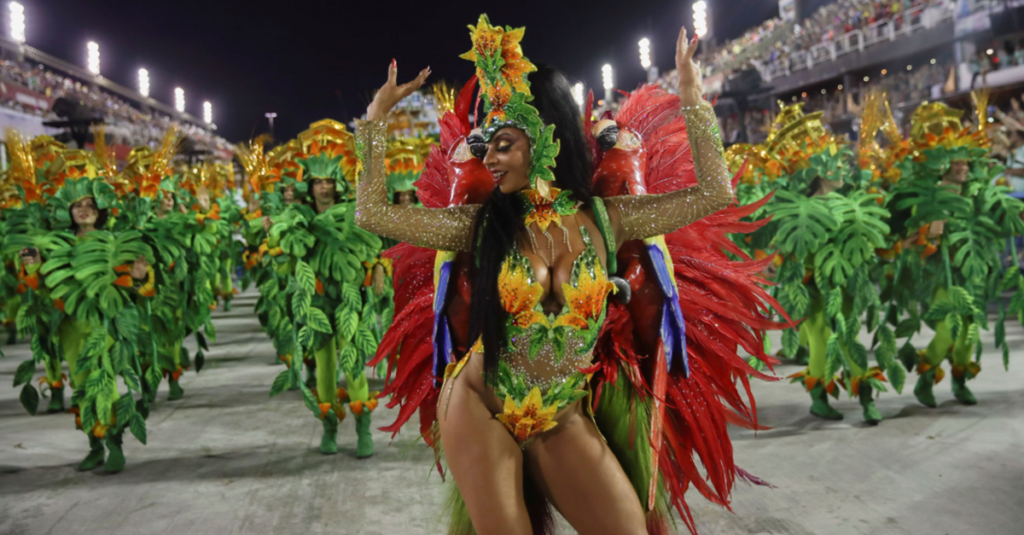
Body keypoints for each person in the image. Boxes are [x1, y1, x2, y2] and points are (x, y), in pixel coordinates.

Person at [357, 16, 784, 534]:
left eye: (503, 144)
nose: (487, 157)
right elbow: (374, 215)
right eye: (487, 144)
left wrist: (692, 98)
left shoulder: (612, 218)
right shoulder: (481, 224)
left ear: (545, 140)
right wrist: (375, 120)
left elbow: (716, 194)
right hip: (478, 406)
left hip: (561, 415)